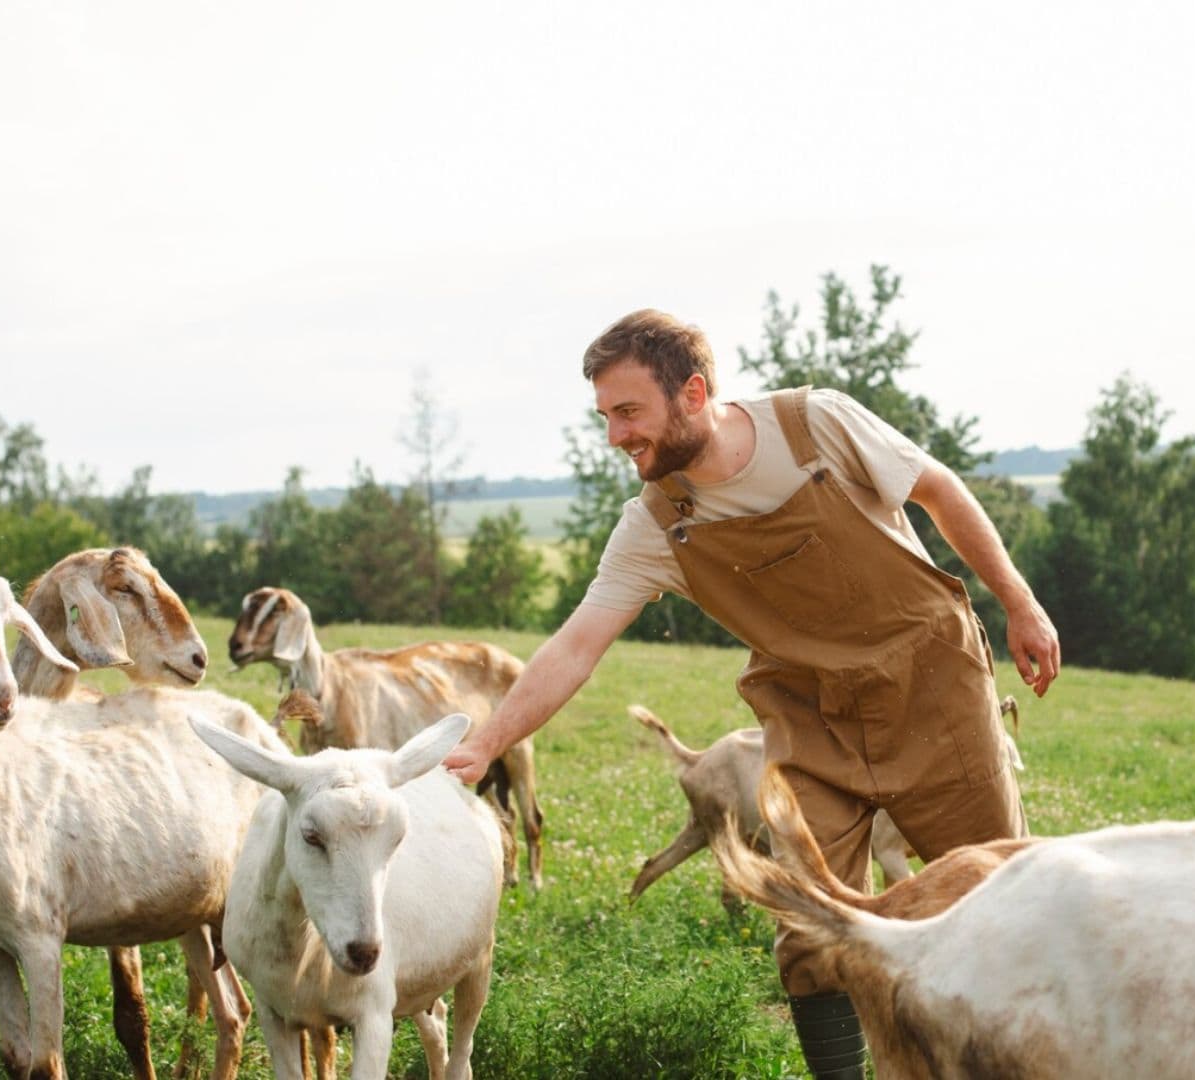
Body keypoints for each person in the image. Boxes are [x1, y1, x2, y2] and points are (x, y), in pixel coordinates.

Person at [443, 308, 1060, 1079]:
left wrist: (1019, 601)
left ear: (693, 393)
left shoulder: (817, 425)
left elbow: (937, 490)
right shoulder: (657, 524)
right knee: (807, 925)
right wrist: (484, 744)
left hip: (932, 687)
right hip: (812, 717)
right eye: (605, 417)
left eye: (629, 412)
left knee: (1000, 902)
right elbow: (576, 645)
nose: (616, 436)